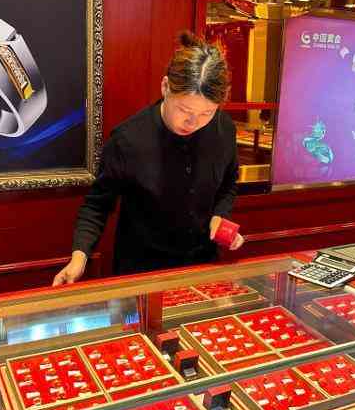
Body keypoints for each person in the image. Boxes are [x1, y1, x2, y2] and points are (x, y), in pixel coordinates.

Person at [53, 31, 244, 285]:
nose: (193, 122)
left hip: (201, 265)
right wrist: (79, 258)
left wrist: (221, 215)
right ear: (165, 87)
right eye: (184, 110)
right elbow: (97, 205)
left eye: (207, 113)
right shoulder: (128, 140)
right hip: (141, 271)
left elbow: (229, 182)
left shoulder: (224, 129)